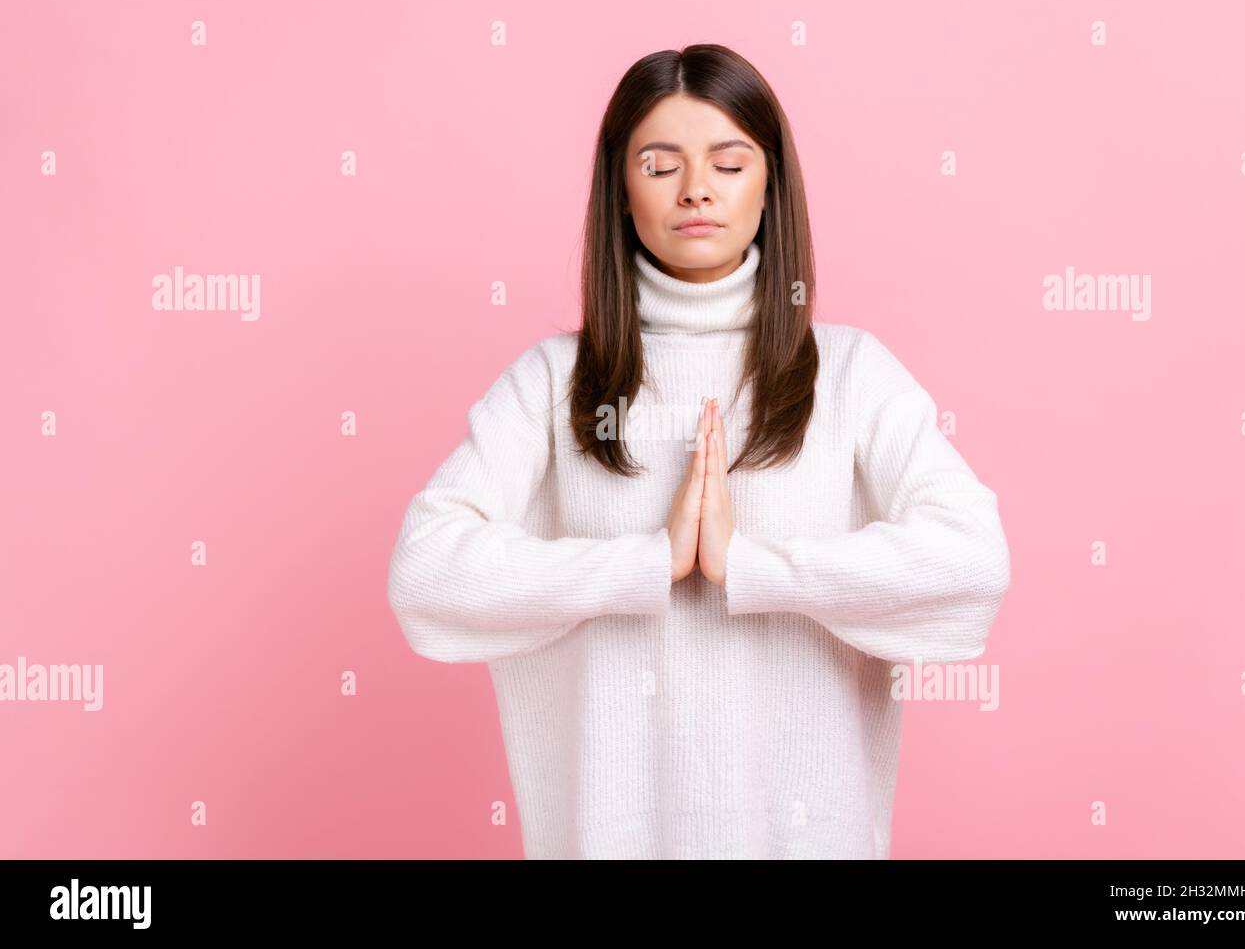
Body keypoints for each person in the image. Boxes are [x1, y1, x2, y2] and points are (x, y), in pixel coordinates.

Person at [386, 44, 1011, 859]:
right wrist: (646, 564)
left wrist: (748, 567)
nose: (696, 189)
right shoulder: (551, 382)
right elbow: (425, 572)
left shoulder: (854, 374)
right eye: (659, 164)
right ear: (619, 190)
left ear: (769, 187)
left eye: (728, 160)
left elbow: (972, 563)